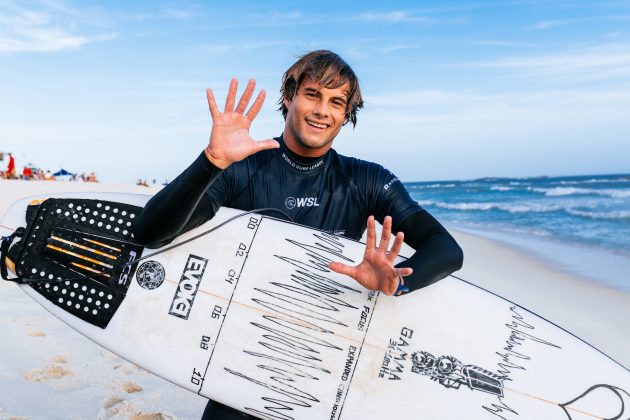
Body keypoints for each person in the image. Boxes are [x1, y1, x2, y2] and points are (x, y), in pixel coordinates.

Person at [133, 50, 463, 419]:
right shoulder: (243, 168)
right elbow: (150, 232)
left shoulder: (365, 181)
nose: (323, 110)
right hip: (240, 363)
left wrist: (396, 283)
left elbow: (447, 249)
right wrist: (211, 161)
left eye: (337, 102)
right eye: (312, 94)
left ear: (346, 116)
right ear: (289, 96)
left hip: (319, 369)